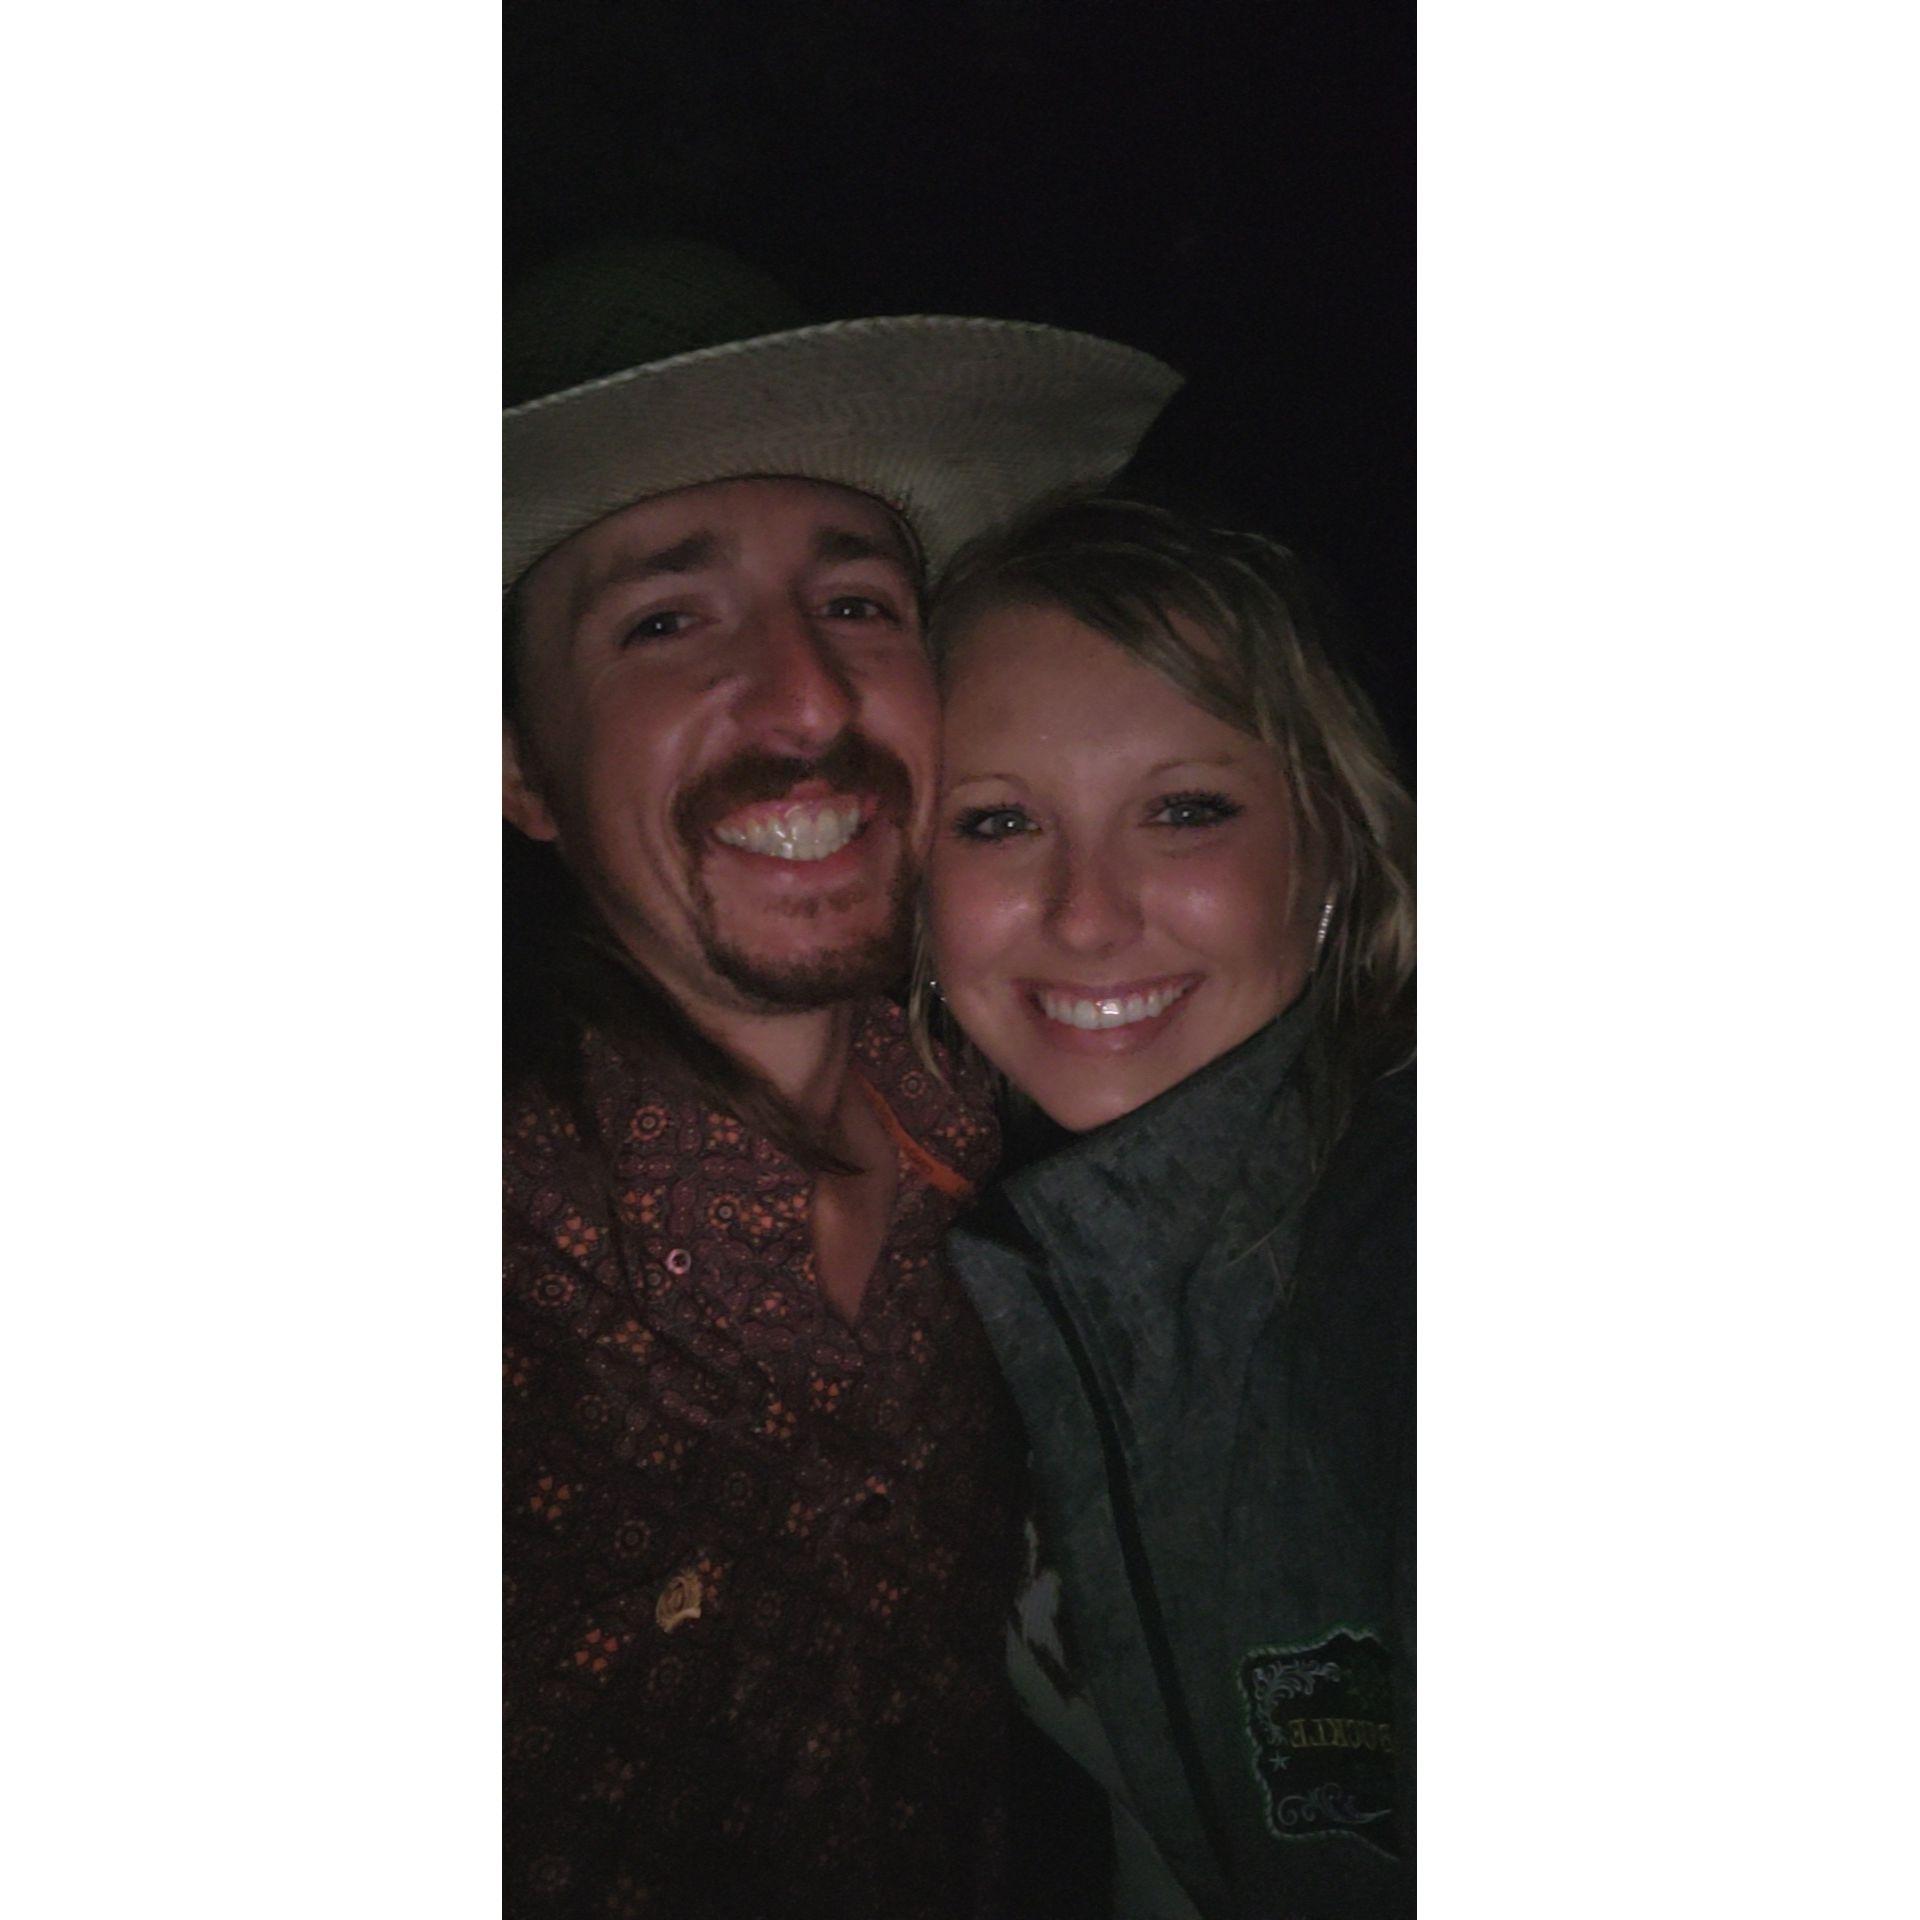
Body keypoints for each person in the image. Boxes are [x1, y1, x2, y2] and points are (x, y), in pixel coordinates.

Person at [501, 258, 1182, 1920]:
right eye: (665, 622)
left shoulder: (1009, 1114)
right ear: (516, 767)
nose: (809, 699)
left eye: (863, 604)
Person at [921, 495, 1416, 1920]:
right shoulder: (973, 1235)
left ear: (1330, 843)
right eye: (1000, 821)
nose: (1087, 914)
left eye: (1184, 811)